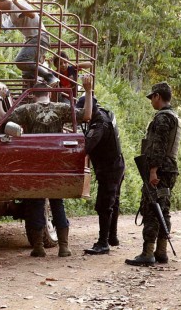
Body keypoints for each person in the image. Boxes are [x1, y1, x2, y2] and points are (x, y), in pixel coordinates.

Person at [8, 76, 93, 257]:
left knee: (35, 203)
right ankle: (63, 246)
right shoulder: (61, 108)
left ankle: (38, 247)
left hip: (35, 161)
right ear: (49, 94)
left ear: (33, 96)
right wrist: (87, 90)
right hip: (57, 161)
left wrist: (1, 99)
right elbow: (86, 115)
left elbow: (4, 120)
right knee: (57, 201)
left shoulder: (26, 110)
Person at [126, 82, 181, 266]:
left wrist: (152, 171)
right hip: (169, 169)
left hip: (159, 171)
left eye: (152, 97)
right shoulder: (174, 116)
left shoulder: (162, 118)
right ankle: (161, 251)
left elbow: (158, 146)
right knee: (163, 209)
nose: (151, 101)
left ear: (158, 96)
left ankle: (148, 252)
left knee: (151, 209)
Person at [76, 96, 125, 255]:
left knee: (104, 205)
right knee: (113, 201)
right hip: (117, 164)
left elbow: (87, 146)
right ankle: (112, 237)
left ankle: (103, 242)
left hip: (109, 168)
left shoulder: (99, 123)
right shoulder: (105, 114)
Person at [0, 0, 58, 86]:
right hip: (32, 39)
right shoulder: (9, 13)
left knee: (21, 60)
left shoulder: (15, 5)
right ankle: (39, 92)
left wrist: (16, 2)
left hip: (39, 37)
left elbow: (32, 15)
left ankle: (49, 76)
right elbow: (2, 28)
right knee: (27, 73)